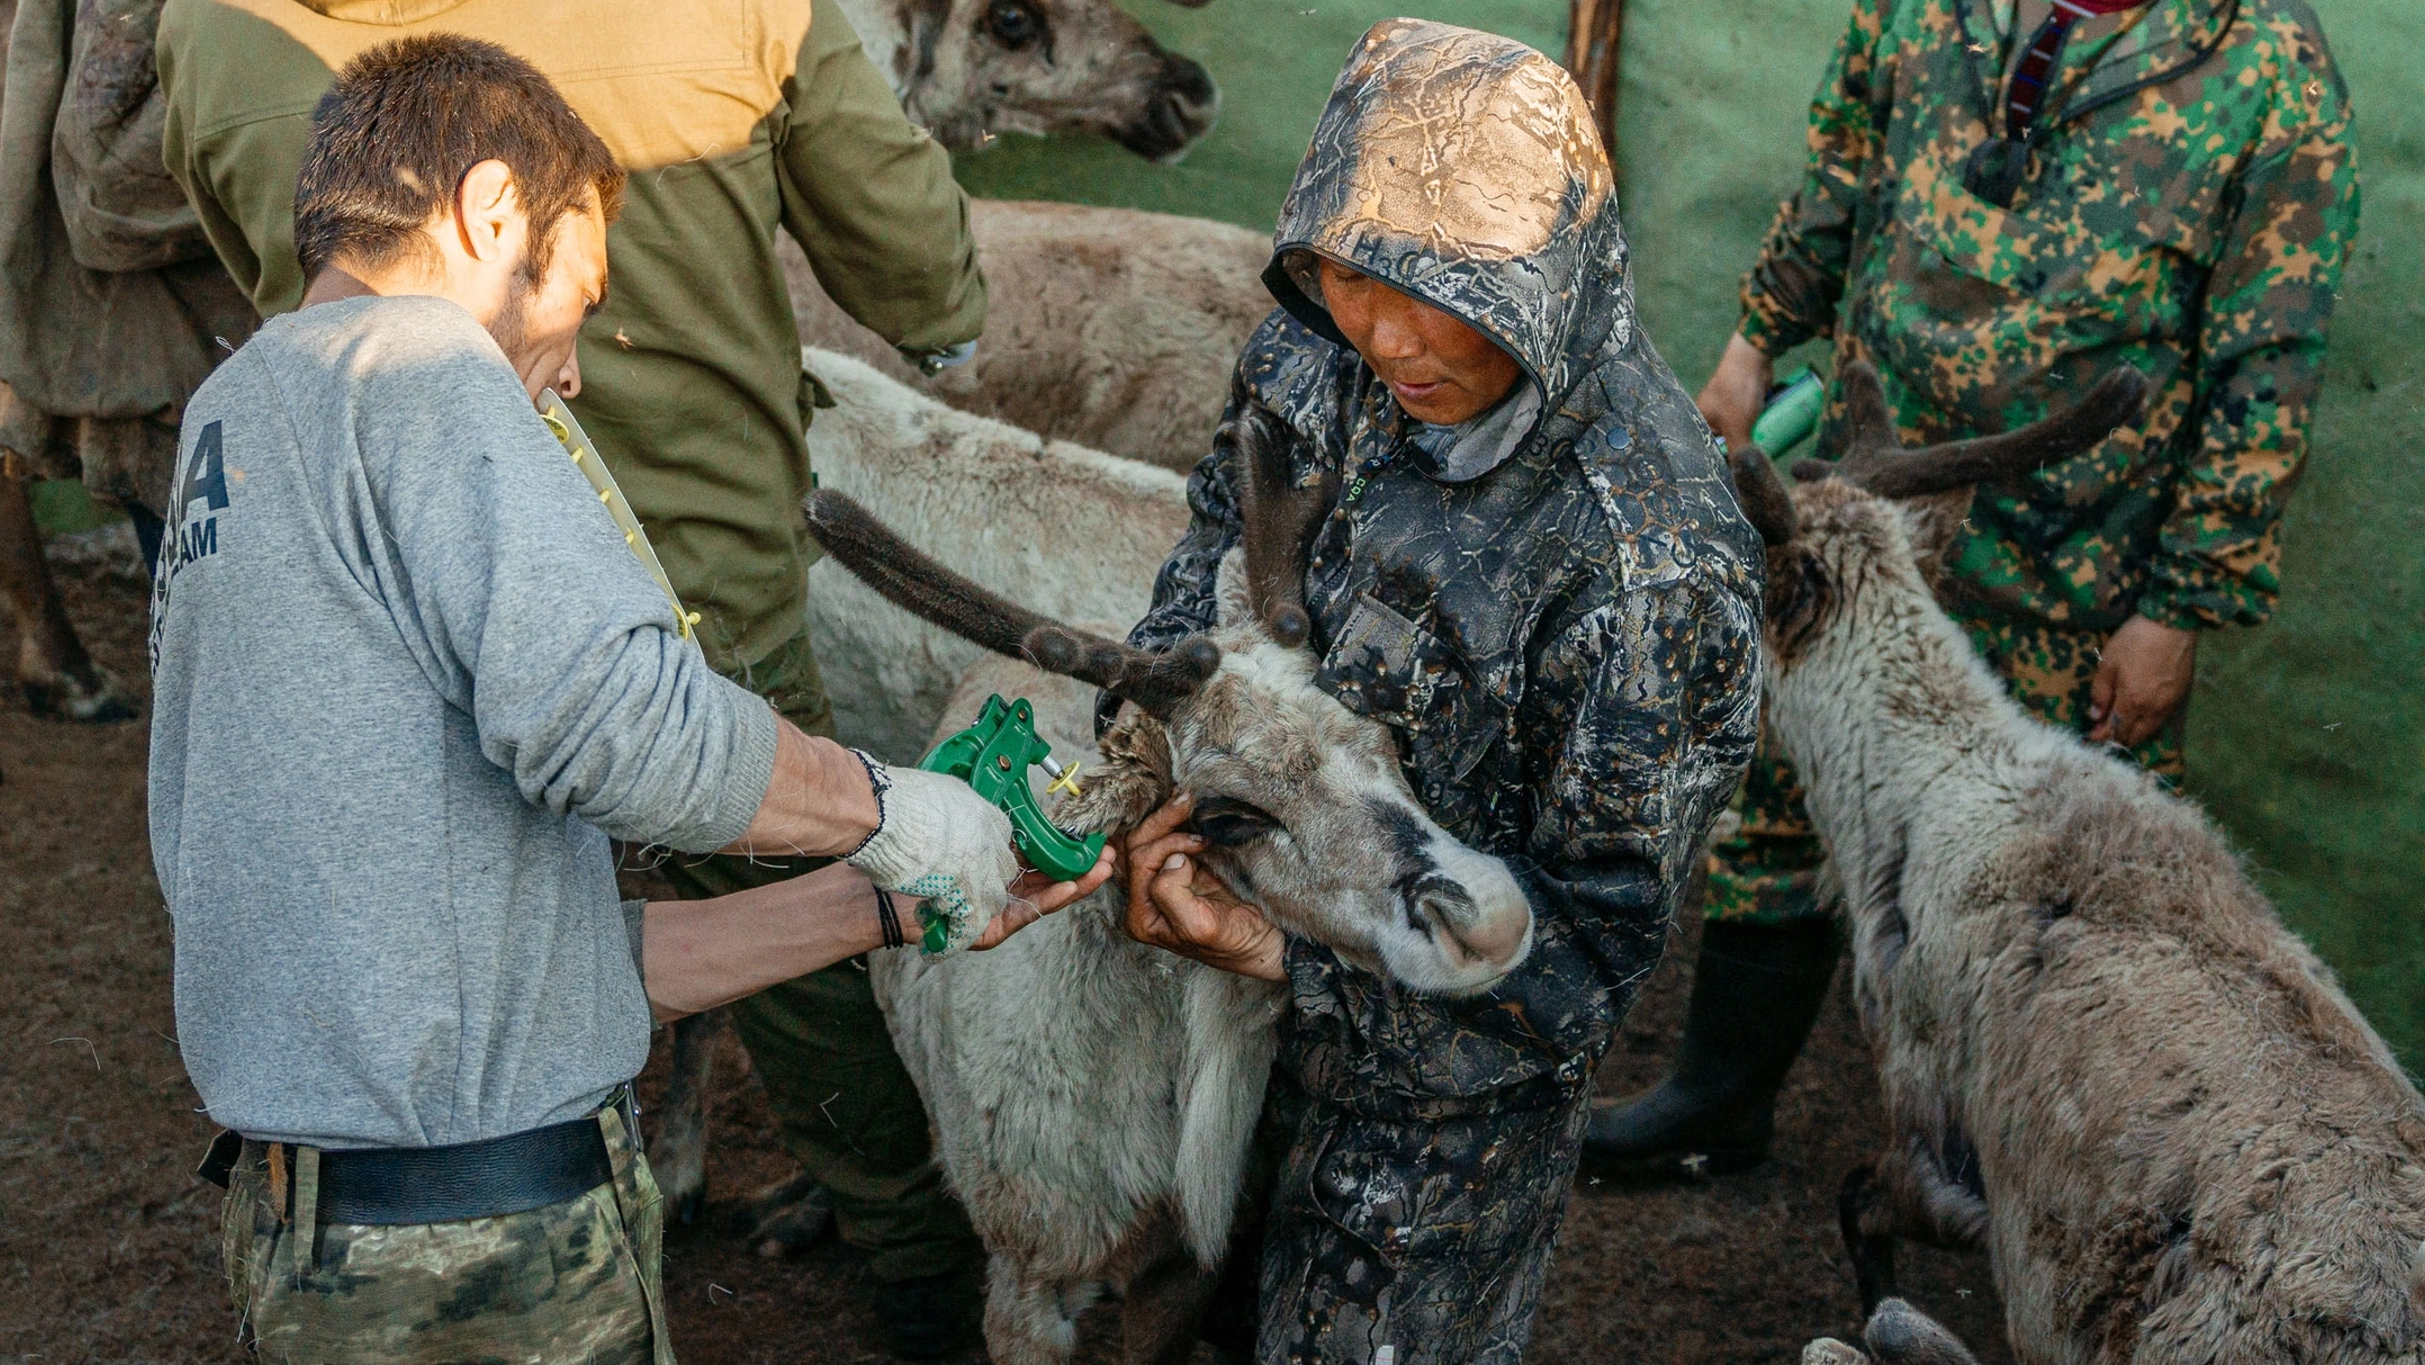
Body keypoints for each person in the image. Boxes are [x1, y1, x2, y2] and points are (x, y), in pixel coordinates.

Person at [149, 39, 1107, 1364]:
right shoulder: (420, 370)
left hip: (327, 1234)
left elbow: (523, 977)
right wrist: (897, 805)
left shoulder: (244, 415)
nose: (576, 368)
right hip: (485, 1254)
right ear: (491, 214)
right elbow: (622, 728)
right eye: (582, 300)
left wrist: (891, 906)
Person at [1586, 0, 2360, 1172]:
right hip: (1868, 513)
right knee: (1787, 805)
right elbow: (1839, 171)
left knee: (2074, 889)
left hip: (2080, 563)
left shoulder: (2269, 71)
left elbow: (2271, 369)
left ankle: (2066, 1184)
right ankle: (1716, 1098)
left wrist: (2179, 608)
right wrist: (1751, 345)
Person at [1106, 21, 1763, 1361]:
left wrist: (1282, 964)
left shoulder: (1651, 569)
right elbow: (1207, 534)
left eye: (1447, 293)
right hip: (1201, 1015)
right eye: (1348, 275)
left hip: (1420, 1153)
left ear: (1552, 273)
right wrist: (1153, 746)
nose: (1386, 333)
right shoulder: (1317, 350)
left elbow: (1576, 969)